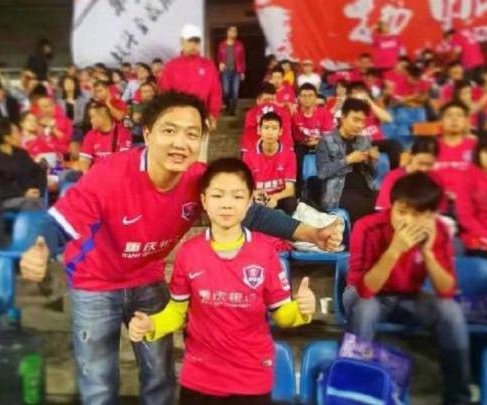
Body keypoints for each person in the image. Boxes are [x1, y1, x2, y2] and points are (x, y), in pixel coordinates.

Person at [18, 92, 341, 405]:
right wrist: (40, 248)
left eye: (192, 134)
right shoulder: (110, 174)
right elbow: (58, 222)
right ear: (148, 133)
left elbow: (252, 213)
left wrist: (311, 233)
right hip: (94, 281)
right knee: (98, 382)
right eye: (169, 131)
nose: (180, 143)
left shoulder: (197, 178)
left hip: (146, 277)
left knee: (160, 374)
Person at [127, 158, 315, 404]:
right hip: (200, 378)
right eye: (217, 195)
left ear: (249, 202)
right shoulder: (189, 253)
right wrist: (151, 325)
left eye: (237, 196)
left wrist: (301, 310)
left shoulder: (265, 252)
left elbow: (281, 314)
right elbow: (176, 313)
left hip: (251, 378)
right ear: (204, 201)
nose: (227, 204)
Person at [344, 172, 470, 405]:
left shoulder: (438, 231)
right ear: (391, 207)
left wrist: (428, 253)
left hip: (409, 296)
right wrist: (394, 250)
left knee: (451, 310)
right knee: (366, 309)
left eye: (417, 214)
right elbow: (365, 290)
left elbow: (446, 291)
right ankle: (354, 391)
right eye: (401, 212)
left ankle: (459, 396)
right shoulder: (367, 227)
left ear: (430, 215)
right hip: (364, 294)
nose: (407, 221)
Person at [316, 98, 379, 221]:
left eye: (362, 121)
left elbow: (371, 175)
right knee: (364, 208)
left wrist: (373, 162)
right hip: (339, 194)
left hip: (365, 190)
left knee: (388, 201)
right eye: (356, 120)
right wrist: (348, 160)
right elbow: (322, 173)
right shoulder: (326, 140)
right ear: (343, 118)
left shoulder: (365, 140)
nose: (359, 125)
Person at [159, 24, 222, 130]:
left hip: (201, 116)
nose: (193, 45)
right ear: (182, 42)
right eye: (190, 41)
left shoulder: (208, 65)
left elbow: (215, 92)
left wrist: (213, 114)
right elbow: (165, 92)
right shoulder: (171, 66)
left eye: (196, 42)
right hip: (177, 117)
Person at [0, 119, 46, 211]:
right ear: (7, 138)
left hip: (29, 197)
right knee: (33, 203)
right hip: (4, 201)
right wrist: (23, 193)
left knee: (38, 201)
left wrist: (38, 190)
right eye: (17, 132)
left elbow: (38, 172)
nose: (20, 135)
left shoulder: (22, 154)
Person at [242, 112, 298, 214]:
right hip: (259, 198)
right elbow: (245, 187)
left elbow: (290, 190)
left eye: (274, 128)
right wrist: (256, 194)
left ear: (280, 131)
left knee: (291, 203)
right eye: (266, 128)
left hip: (279, 197)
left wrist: (275, 197)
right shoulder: (248, 155)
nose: (270, 132)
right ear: (259, 130)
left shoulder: (289, 154)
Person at [346, 82, 401, 169]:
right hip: (360, 143)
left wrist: (370, 102)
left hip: (377, 143)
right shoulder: (348, 114)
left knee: (393, 144)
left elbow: (388, 119)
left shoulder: (372, 110)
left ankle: (394, 172)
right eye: (355, 94)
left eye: (361, 94)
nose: (358, 97)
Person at [292, 83, 335, 193]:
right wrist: (305, 142)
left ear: (315, 97)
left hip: (321, 144)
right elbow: (294, 137)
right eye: (304, 96)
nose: (307, 99)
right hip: (302, 145)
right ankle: (298, 191)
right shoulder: (294, 115)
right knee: (295, 160)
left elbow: (327, 134)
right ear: (298, 98)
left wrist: (317, 141)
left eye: (310, 95)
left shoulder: (324, 113)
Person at [375, 137, 439, 211]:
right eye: (420, 163)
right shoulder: (393, 177)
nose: (424, 169)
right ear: (410, 157)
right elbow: (383, 208)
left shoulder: (435, 179)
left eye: (429, 164)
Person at [434, 101, 477, 199]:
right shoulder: (430, 146)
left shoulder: (476, 147)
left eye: (459, 115)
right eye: (449, 115)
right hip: (436, 200)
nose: (454, 119)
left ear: (466, 121)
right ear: (441, 121)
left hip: (468, 201)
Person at [241, 83, 293, 152]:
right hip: (254, 150)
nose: (270, 103)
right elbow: (249, 137)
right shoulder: (251, 114)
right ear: (258, 101)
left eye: (273, 100)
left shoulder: (284, 113)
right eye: (266, 100)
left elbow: (286, 136)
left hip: (279, 150)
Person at [78, 103, 132, 171]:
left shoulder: (123, 133)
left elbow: (124, 160)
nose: (91, 121)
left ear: (102, 117)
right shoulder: (91, 134)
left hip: (115, 172)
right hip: (95, 173)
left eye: (92, 117)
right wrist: (87, 175)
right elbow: (84, 160)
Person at [217, 26, 246, 116]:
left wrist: (242, 72)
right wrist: (220, 63)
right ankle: (227, 105)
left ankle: (233, 110)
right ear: (228, 32)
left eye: (235, 31)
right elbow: (219, 57)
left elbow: (242, 59)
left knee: (235, 91)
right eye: (232, 31)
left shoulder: (239, 45)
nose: (234, 33)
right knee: (226, 91)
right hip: (225, 71)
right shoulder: (222, 45)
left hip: (237, 71)